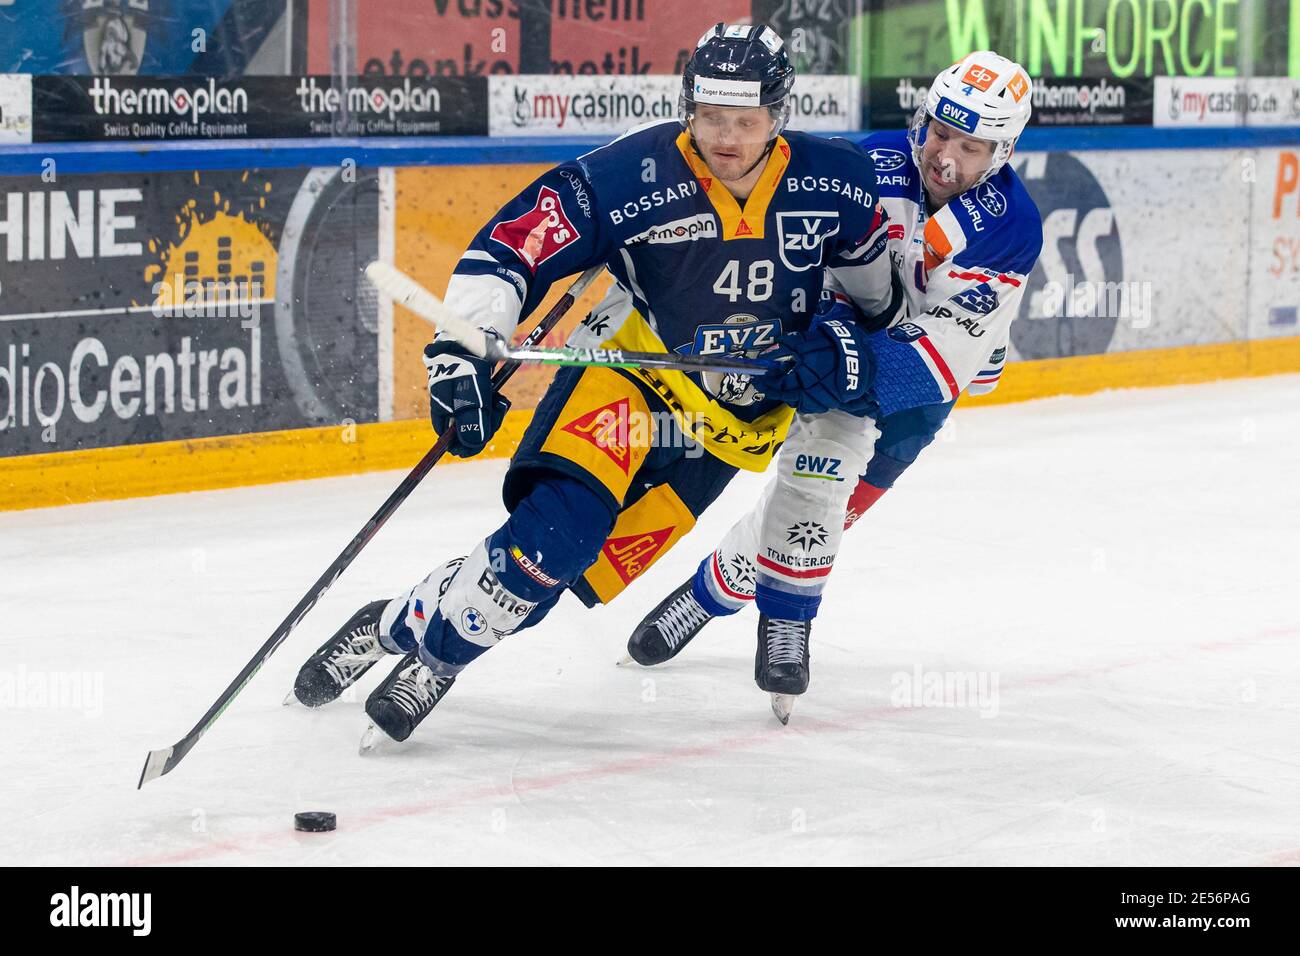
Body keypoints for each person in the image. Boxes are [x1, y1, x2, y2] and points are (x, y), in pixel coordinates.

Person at [289, 23, 891, 745]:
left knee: (562, 583)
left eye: (746, 120)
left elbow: (871, 302)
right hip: (630, 384)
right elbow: (510, 248)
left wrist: (841, 346)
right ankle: (439, 660)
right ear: (687, 104)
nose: (726, 137)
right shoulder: (629, 173)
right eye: (709, 117)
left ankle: (398, 620)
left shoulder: (840, 180)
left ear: (779, 114)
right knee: (549, 547)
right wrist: (458, 355)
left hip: (729, 432)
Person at [624, 52, 1045, 722]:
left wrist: (845, 367)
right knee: (817, 479)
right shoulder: (864, 163)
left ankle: (710, 591)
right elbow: (788, 246)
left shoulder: (1009, 226)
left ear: (1003, 150)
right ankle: (773, 615)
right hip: (841, 333)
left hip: (923, 381)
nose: (945, 157)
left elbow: (934, 357)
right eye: (940, 131)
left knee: (837, 507)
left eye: (970, 146)